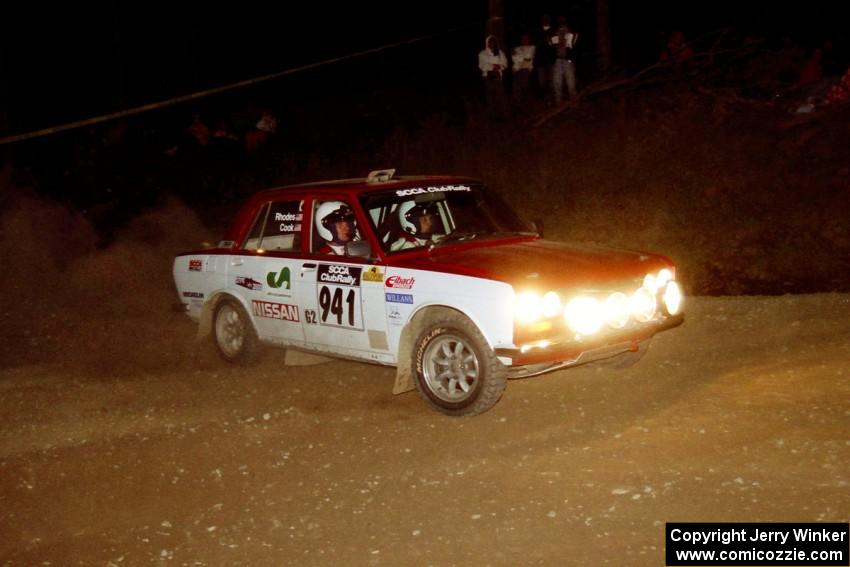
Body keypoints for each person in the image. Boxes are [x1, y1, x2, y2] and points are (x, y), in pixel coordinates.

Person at [478, 35, 509, 119]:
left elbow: (505, 64)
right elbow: (482, 65)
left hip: (497, 78)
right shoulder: (482, 54)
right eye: (490, 42)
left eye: (493, 42)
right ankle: (493, 116)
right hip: (488, 78)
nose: (491, 44)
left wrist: (499, 67)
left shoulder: (500, 53)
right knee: (490, 98)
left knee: (501, 97)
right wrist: (492, 66)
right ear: (487, 43)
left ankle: (504, 115)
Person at [551, 18, 579, 104]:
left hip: (568, 60)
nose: (562, 25)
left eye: (563, 22)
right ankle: (558, 102)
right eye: (560, 22)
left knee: (571, 82)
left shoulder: (572, 34)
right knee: (557, 82)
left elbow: (575, 46)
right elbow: (551, 46)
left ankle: (574, 101)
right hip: (557, 60)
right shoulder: (554, 34)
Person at [534, 14, 556, 103]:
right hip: (541, 61)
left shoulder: (553, 31)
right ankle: (545, 98)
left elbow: (554, 46)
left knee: (551, 81)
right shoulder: (538, 32)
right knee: (542, 82)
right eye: (544, 19)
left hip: (551, 60)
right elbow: (536, 46)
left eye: (547, 19)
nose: (546, 20)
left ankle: (552, 98)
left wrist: (550, 42)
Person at [512, 33, 536, 111]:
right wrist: (521, 59)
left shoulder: (532, 47)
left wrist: (518, 58)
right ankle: (518, 107)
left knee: (526, 88)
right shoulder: (517, 48)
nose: (524, 40)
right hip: (517, 70)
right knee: (517, 89)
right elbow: (514, 59)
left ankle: (529, 105)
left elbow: (528, 58)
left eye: (526, 38)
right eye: (523, 38)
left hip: (525, 70)